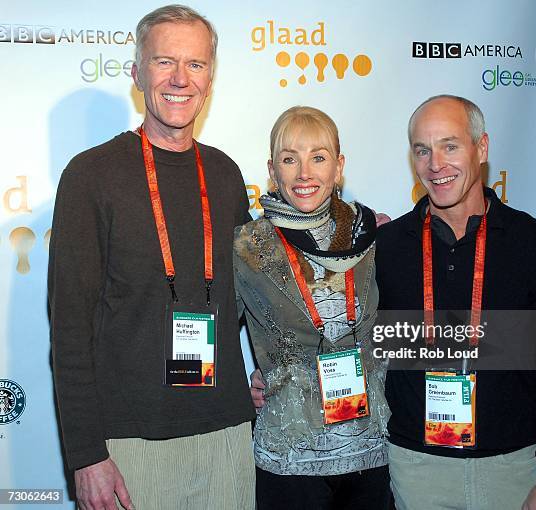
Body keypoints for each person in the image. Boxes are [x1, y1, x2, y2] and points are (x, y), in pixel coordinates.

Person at [48, 5, 255, 509]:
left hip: (225, 435)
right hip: (128, 445)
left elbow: (254, 295)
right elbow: (69, 328)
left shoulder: (225, 174)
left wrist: (357, 226)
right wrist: (86, 455)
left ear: (211, 77)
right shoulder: (91, 175)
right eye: (164, 62)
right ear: (138, 73)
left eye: (196, 64)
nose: (180, 79)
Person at [376, 95, 536, 510]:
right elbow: (347, 337)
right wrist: (280, 376)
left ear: (481, 148)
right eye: (423, 149)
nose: (436, 164)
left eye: (450, 145)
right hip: (416, 470)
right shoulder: (387, 247)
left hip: (515, 470)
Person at [234, 106, 391, 510]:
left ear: (338, 167)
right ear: (273, 170)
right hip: (290, 460)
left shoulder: (374, 233)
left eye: (318, 157)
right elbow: (209, 331)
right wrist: (244, 385)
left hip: (371, 453)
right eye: (290, 159)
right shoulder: (247, 246)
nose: (304, 172)